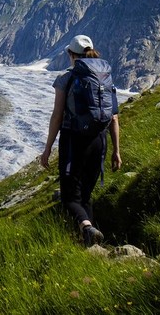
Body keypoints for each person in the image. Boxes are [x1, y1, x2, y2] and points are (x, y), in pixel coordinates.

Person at [40, 35, 121, 247]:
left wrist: (48, 148)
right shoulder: (105, 76)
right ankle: (92, 244)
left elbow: (57, 116)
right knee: (85, 196)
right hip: (99, 142)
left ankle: (86, 227)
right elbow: (114, 117)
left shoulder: (66, 78)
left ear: (70, 54)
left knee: (69, 198)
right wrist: (116, 151)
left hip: (74, 142)